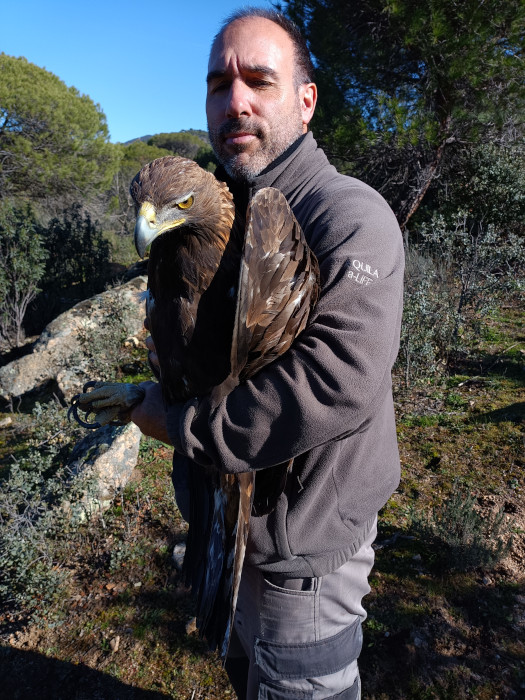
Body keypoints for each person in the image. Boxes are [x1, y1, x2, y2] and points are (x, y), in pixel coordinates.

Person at [131, 7, 404, 699]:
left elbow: (334, 382)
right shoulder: (215, 215)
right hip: (228, 520)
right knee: (245, 670)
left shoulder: (348, 214)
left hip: (302, 549)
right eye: (219, 84)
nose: (236, 101)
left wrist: (180, 427)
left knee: (298, 685)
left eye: (259, 79)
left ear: (306, 101)